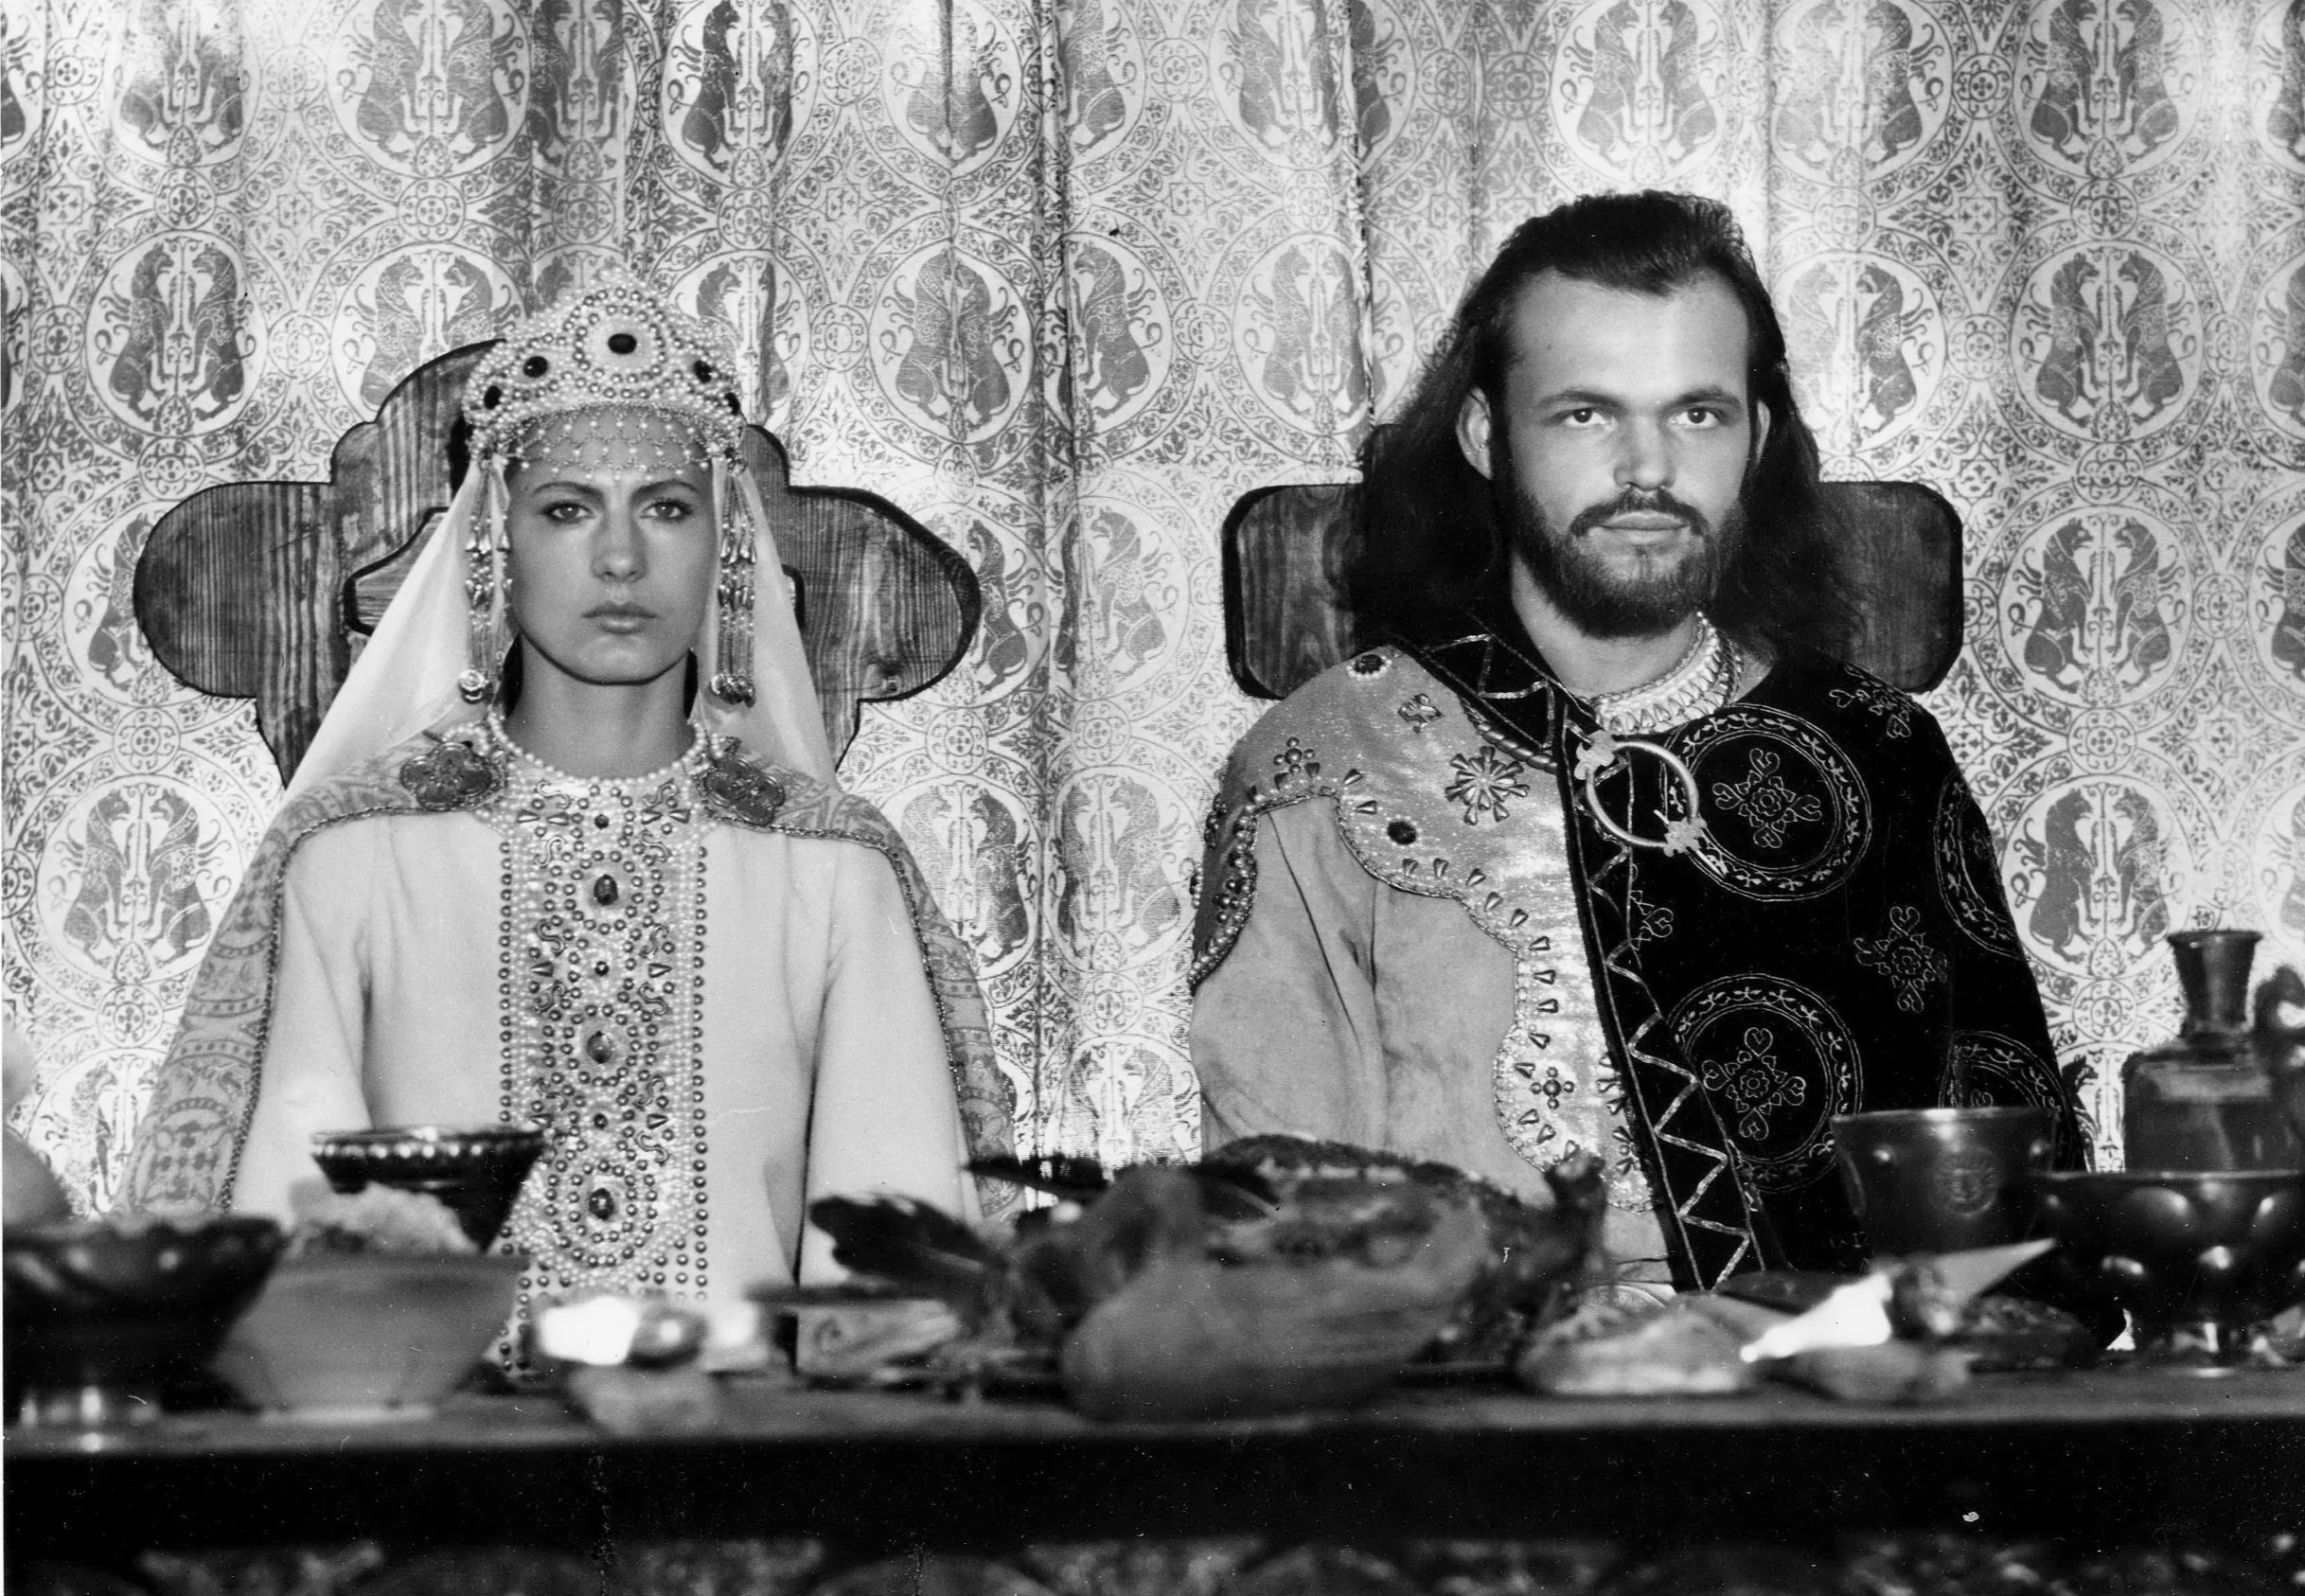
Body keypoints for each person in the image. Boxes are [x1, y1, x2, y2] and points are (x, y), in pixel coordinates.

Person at [1190, 192, 2086, 1294]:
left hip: (1831, 1384)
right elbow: (1275, 1242)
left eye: (1696, 414)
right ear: (1484, 436)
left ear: (1756, 437)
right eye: (1584, 415)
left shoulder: (1878, 750)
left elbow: (2007, 1227)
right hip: (1458, 1385)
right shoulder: (1322, 766)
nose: (1647, 467)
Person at [127, 275, 1008, 1343]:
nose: (621, 558)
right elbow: (292, 1240)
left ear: (728, 545)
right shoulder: (355, 856)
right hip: (435, 1432)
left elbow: (886, 1278)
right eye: (566, 508)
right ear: (494, 542)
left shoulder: (828, 867)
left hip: (739, 1434)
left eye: (667, 508)